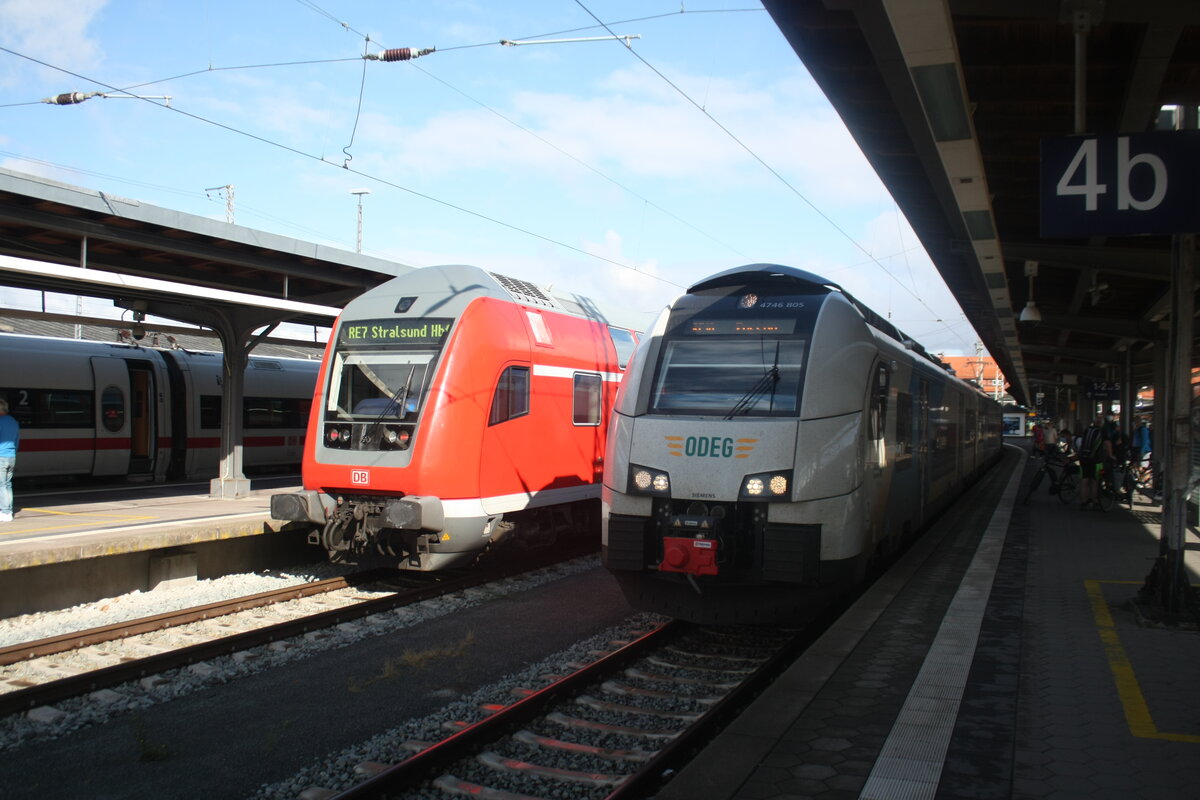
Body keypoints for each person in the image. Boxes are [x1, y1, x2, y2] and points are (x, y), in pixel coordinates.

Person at [1076, 414, 1108, 509]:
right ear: (1102, 423)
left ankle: (1083, 502)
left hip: (1083, 459)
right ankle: (1095, 502)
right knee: (1095, 481)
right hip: (1096, 460)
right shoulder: (1102, 431)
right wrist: (1109, 455)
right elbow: (1106, 444)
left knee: (1084, 481)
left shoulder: (1087, 430)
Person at [0, 398, 18, 522]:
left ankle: (5, 512)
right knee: (7, 484)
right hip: (11, 456)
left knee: (1, 485)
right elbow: (17, 440)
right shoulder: (13, 421)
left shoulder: (0, 421)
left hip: (1, 456)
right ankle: (8, 510)